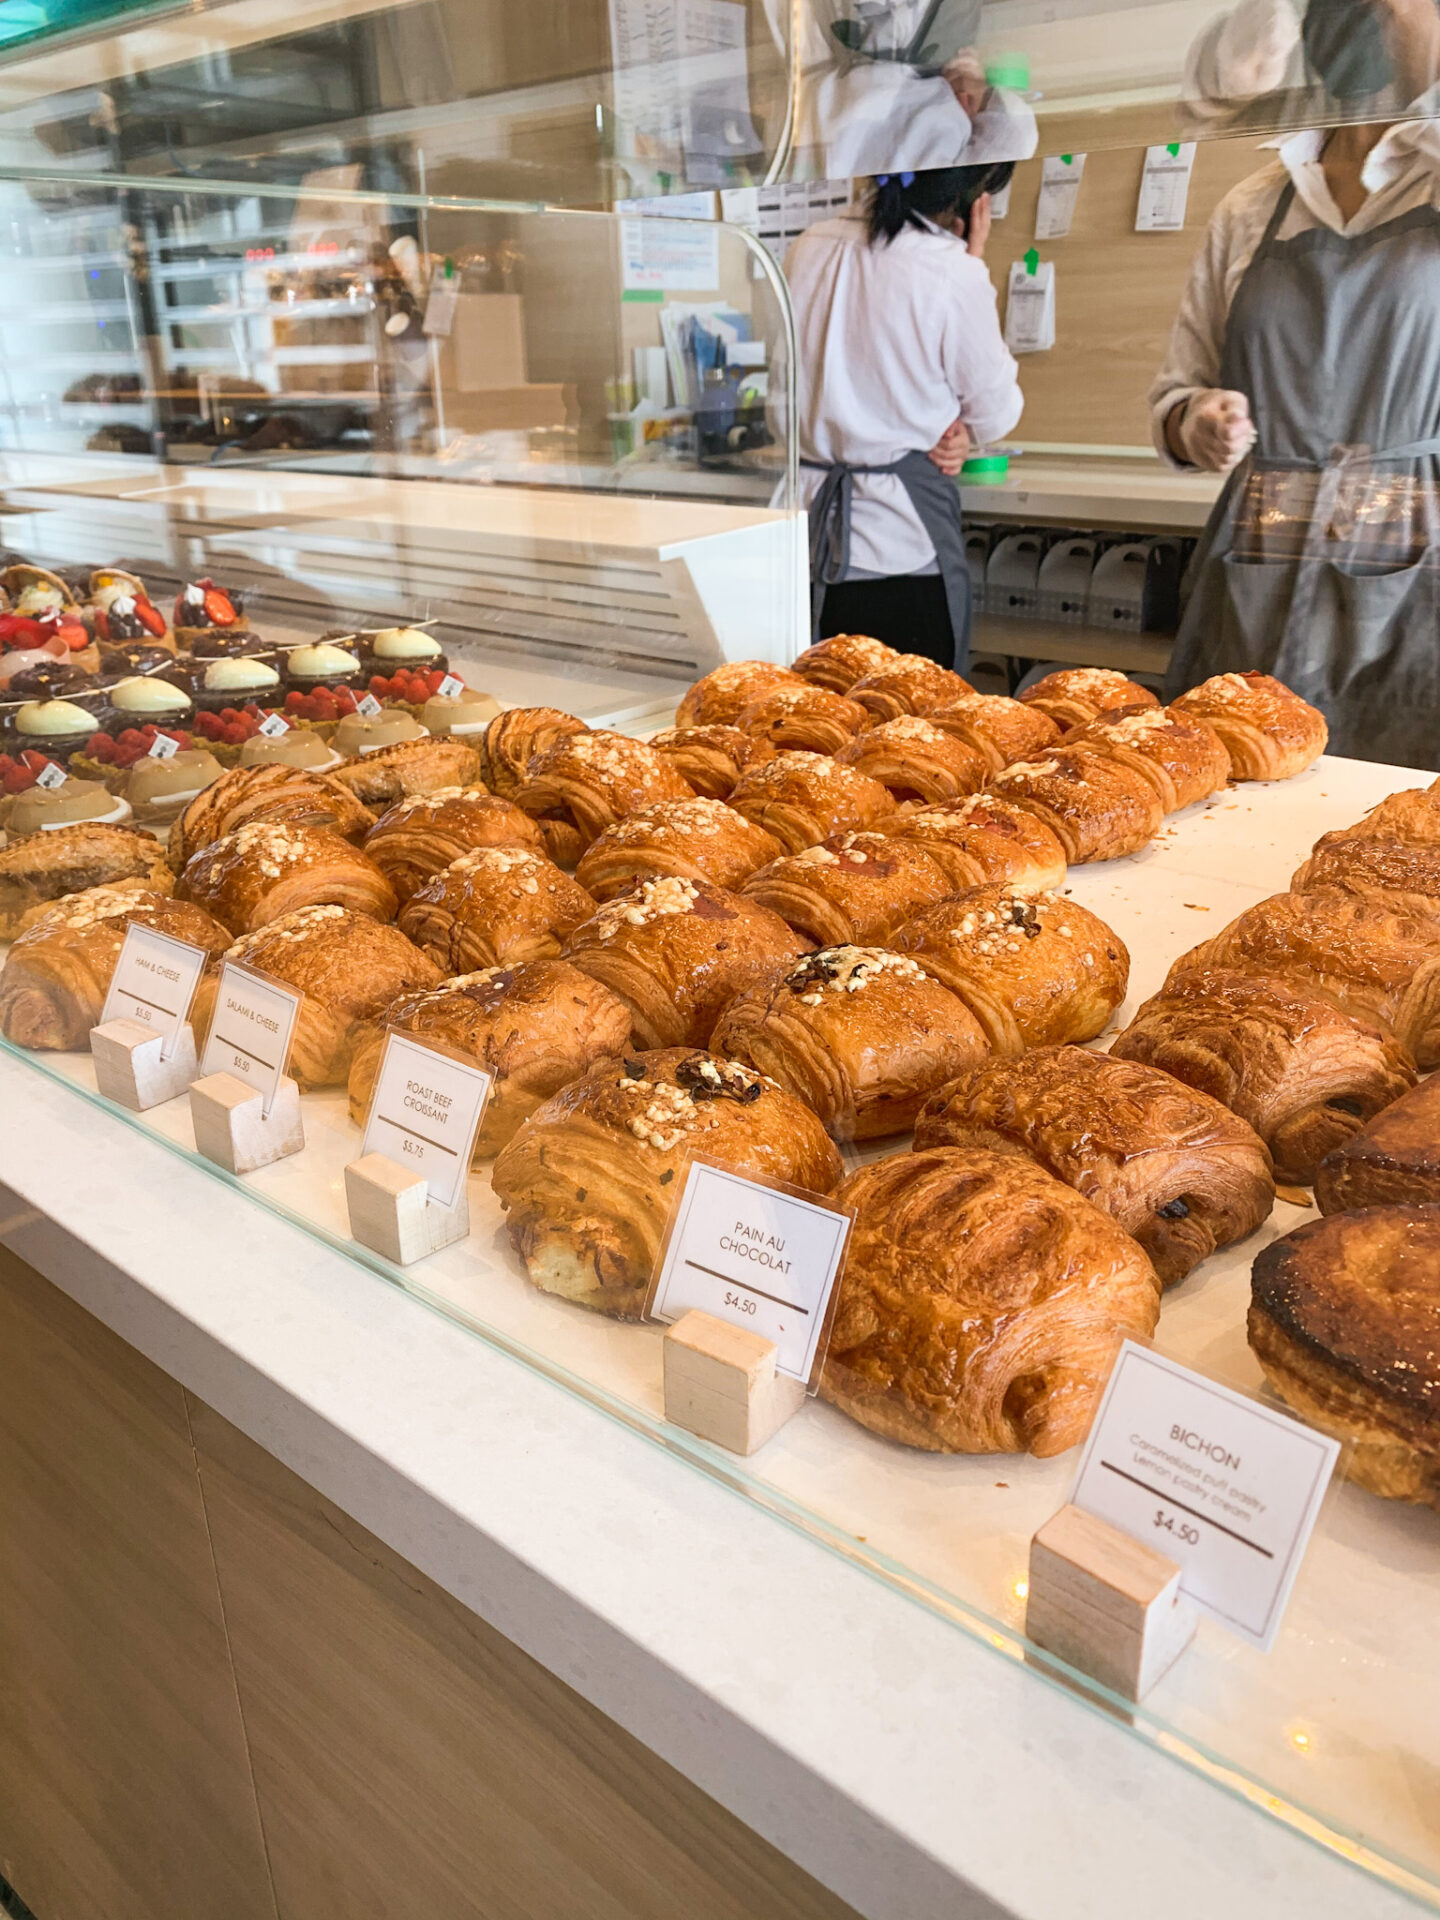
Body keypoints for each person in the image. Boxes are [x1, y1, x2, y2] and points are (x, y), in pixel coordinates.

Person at [1155, 0, 1440, 765]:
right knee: (1231, 798)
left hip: (1414, 569)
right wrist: (1198, 420)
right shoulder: (1253, 205)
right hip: (1259, 558)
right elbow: (1175, 396)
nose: (1386, 11)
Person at [789, 165, 1024, 671]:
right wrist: (972, 261)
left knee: (808, 721)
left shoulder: (808, 246)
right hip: (900, 544)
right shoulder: (951, 271)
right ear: (971, 203)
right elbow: (996, 411)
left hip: (802, 537)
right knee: (912, 726)